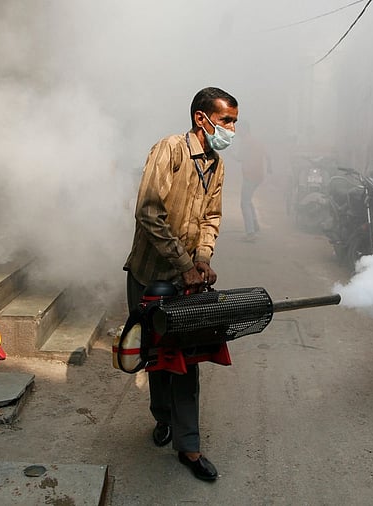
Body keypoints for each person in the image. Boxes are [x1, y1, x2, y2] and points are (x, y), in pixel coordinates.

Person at [123, 87, 238, 481]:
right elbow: (148, 213)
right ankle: (163, 418)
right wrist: (185, 262)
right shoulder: (169, 150)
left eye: (234, 123)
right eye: (226, 121)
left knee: (186, 361)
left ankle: (189, 448)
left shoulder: (217, 165)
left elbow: (212, 217)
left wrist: (203, 259)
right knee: (154, 355)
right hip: (147, 274)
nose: (231, 130)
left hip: (185, 278)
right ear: (201, 119)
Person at [235, 120, 271, 241]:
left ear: (244, 129)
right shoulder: (256, 141)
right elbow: (267, 155)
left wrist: (229, 154)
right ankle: (255, 226)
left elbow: (240, 157)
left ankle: (250, 233)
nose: (237, 132)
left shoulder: (245, 142)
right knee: (248, 200)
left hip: (250, 175)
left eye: (238, 129)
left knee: (244, 203)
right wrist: (269, 169)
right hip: (259, 175)